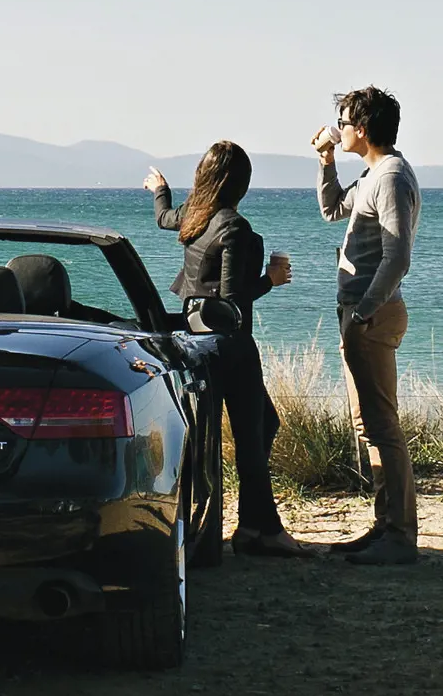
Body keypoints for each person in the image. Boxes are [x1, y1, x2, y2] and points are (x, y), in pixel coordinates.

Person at [144, 143, 309, 561]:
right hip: (230, 343)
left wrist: (159, 189)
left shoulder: (195, 216)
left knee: (247, 429)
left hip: (194, 342)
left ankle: (243, 527)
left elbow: (164, 218)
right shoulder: (233, 227)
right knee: (254, 435)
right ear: (242, 184)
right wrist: (270, 278)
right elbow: (234, 298)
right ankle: (260, 530)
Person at [314, 87, 420, 565]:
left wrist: (364, 312)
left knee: (381, 426)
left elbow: (397, 257)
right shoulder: (373, 175)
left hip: (371, 315)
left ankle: (399, 535)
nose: (339, 128)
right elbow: (332, 208)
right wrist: (326, 161)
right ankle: (385, 526)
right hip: (361, 313)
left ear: (365, 127)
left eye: (344, 121)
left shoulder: (392, 177)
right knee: (369, 426)